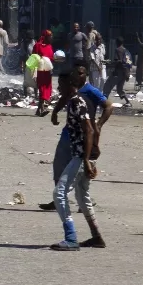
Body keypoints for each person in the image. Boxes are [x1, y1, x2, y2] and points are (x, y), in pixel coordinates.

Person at [49, 70, 99, 251]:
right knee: (81, 195)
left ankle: (70, 238)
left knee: (59, 193)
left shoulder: (77, 102)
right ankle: (96, 236)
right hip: (81, 155)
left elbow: (90, 130)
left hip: (80, 156)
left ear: (70, 84)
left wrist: (86, 159)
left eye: (61, 85)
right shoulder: (74, 101)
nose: (58, 88)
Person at [102, 37, 133, 107]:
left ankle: (104, 101)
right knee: (119, 89)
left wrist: (110, 63)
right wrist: (127, 73)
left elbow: (118, 61)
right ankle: (128, 102)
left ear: (117, 43)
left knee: (107, 86)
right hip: (124, 73)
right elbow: (128, 62)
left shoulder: (118, 50)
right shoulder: (126, 51)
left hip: (118, 72)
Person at [33, 30, 55, 115]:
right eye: (50, 36)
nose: (51, 37)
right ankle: (42, 108)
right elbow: (34, 57)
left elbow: (51, 57)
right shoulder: (38, 46)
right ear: (45, 37)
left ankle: (39, 109)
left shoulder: (49, 46)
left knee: (47, 89)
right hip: (40, 71)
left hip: (48, 71)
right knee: (42, 89)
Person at [20, 29, 37, 99]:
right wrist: (21, 65)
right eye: (29, 38)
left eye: (31, 38)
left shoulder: (35, 42)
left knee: (35, 78)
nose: (30, 39)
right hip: (27, 62)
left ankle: (36, 94)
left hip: (34, 63)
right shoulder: (24, 43)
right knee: (26, 79)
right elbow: (22, 54)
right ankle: (25, 94)